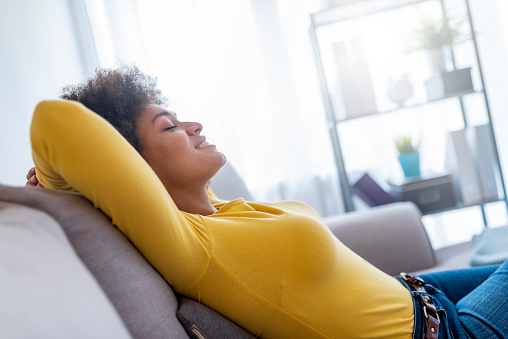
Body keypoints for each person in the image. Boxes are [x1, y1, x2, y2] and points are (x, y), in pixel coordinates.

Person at [26, 65, 508, 339]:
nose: (193, 125)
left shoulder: (214, 209)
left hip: (422, 294)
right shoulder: (191, 246)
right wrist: (64, 183)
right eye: (169, 127)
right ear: (135, 171)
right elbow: (55, 121)